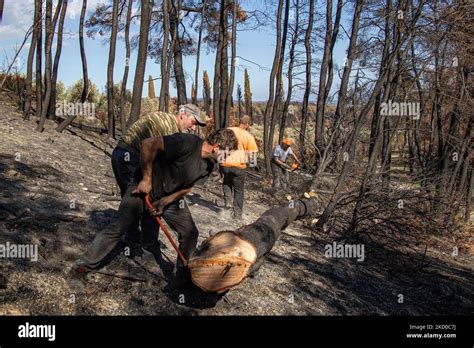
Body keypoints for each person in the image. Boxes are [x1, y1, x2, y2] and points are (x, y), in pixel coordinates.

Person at [72, 129, 238, 284]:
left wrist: (165, 202)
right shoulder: (187, 142)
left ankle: (182, 278)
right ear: (217, 147)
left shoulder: (208, 166)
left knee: (190, 233)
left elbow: (187, 187)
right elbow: (148, 144)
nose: (227, 158)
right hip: (142, 188)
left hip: (168, 197)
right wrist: (146, 179)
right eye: (227, 153)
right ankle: (85, 263)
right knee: (120, 225)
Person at [111, 104, 207, 257]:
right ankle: (136, 244)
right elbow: (154, 151)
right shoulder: (168, 126)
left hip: (124, 155)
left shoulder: (169, 123)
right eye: (193, 122)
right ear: (183, 115)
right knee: (141, 200)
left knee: (138, 200)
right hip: (129, 157)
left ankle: (137, 242)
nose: (193, 128)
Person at [219, 115, 258, 219]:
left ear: (239, 122)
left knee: (227, 182)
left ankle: (228, 204)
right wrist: (252, 166)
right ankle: (237, 215)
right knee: (239, 190)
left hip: (225, 163)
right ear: (247, 124)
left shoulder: (228, 130)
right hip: (239, 166)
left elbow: (220, 145)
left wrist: (219, 161)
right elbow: (252, 154)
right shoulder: (249, 136)